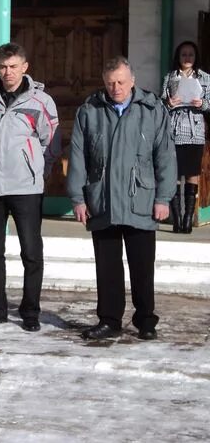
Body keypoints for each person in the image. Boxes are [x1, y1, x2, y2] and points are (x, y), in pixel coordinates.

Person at [67, 56, 176, 341]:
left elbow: (165, 155)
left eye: (121, 82)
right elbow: (78, 157)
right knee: (107, 268)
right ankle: (109, 319)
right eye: (110, 83)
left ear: (132, 81)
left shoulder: (152, 109)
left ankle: (146, 320)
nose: (116, 88)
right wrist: (78, 198)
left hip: (140, 198)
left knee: (142, 266)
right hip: (102, 200)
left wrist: (163, 198)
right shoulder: (89, 111)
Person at [0, 42, 61, 332]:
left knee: (31, 253)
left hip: (26, 189)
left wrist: (36, 170)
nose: (8, 72)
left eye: (13, 66)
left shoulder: (41, 101)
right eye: (3, 67)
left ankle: (30, 311)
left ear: (25, 67)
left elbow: (51, 141)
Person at [161, 40, 210, 234]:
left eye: (191, 54)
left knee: (192, 173)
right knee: (174, 173)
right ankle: (177, 218)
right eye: (184, 54)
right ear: (178, 57)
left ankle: (188, 218)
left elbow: (209, 103)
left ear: (195, 57)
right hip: (174, 129)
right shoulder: (170, 77)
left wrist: (202, 104)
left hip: (195, 131)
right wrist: (170, 103)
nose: (187, 58)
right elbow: (161, 103)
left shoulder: (205, 77)